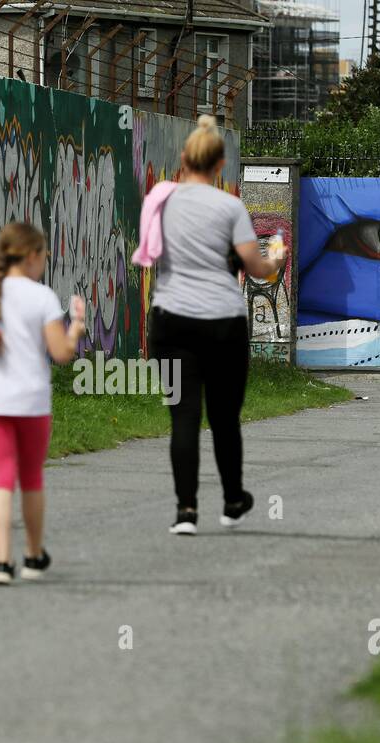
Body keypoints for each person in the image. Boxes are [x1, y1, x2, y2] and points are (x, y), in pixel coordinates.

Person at [143, 114, 284, 535]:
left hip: (170, 320)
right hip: (223, 323)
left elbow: (151, 251)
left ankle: (186, 511)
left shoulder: (159, 200)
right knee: (224, 418)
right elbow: (256, 267)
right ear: (220, 165)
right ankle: (233, 500)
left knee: (183, 417)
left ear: (183, 158)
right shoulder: (230, 206)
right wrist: (275, 256)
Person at [0, 222, 85, 586]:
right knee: (30, 479)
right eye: (43, 255)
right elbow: (61, 354)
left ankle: (0, 562)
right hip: (32, 405)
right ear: (31, 256)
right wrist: (76, 326)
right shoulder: (42, 297)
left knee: (0, 480)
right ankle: (32, 555)